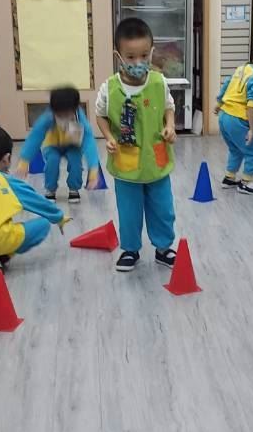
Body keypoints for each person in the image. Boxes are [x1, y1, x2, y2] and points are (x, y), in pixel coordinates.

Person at [95, 17, 177, 273]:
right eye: (130, 57)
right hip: (127, 165)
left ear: (152, 52)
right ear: (118, 56)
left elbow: (169, 107)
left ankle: (163, 248)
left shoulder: (159, 82)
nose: (138, 62)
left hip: (156, 162)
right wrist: (108, 137)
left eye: (144, 55)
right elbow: (100, 115)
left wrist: (170, 125)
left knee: (163, 209)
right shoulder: (109, 88)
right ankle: (130, 249)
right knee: (129, 211)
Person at [0, 125, 68, 277]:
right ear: (7, 158)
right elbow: (38, 202)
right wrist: (59, 217)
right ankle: (2, 256)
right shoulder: (10, 182)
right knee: (43, 225)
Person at [214, 29, 253, 196]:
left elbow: (227, 83)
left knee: (236, 149)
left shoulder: (243, 68)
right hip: (237, 119)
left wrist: (219, 103)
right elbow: (251, 105)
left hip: (224, 116)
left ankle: (229, 177)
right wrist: (252, 128)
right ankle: (246, 182)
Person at [17, 85, 101, 203]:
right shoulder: (48, 117)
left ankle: (74, 188)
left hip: (73, 145)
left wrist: (93, 169)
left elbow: (89, 142)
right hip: (52, 145)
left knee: (75, 162)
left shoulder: (79, 118)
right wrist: (25, 160)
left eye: (67, 114)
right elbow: (35, 137)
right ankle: (50, 189)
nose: (63, 117)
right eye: (59, 114)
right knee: (52, 161)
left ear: (75, 108)